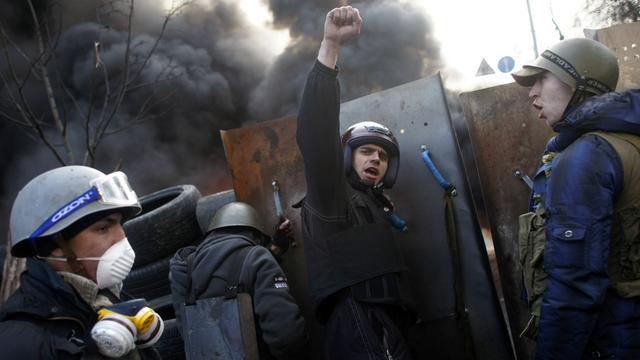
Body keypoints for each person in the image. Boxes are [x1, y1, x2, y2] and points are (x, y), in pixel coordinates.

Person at [296, 5, 414, 359]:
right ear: (347, 156)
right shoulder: (333, 198)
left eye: (383, 155)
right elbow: (316, 133)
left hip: (384, 320)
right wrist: (330, 46)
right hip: (357, 322)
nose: (376, 159)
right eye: (367, 152)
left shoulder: (374, 205)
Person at [512, 37, 640, 358]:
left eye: (542, 78)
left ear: (578, 83)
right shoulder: (629, 140)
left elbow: (574, 285)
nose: (532, 93)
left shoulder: (588, 155)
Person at [0, 166, 163, 359]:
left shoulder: (110, 303)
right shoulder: (21, 343)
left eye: (120, 225)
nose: (121, 237)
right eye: (103, 228)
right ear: (55, 244)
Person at [169, 201, 307, 359]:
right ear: (256, 235)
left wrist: (274, 251)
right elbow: (286, 336)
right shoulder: (258, 259)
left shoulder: (185, 268)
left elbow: (188, 333)